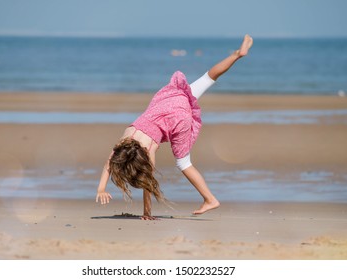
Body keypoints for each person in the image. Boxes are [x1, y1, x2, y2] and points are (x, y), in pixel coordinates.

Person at [96, 35, 253, 220]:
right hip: (171, 102)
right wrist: (101, 188)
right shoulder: (126, 139)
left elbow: (147, 183)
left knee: (183, 163)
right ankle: (237, 54)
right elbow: (110, 162)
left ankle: (210, 199)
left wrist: (146, 213)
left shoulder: (146, 150)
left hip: (178, 120)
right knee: (207, 78)